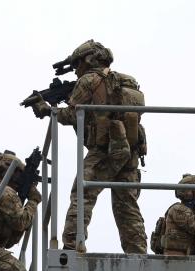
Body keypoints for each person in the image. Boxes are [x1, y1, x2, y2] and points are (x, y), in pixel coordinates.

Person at [26, 40, 147, 254]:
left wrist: (48, 110)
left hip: (104, 151)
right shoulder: (125, 80)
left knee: (82, 194)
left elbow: (73, 115)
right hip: (129, 151)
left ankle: (72, 246)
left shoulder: (88, 81)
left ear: (89, 60)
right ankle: (138, 252)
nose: (76, 70)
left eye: (77, 64)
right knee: (126, 205)